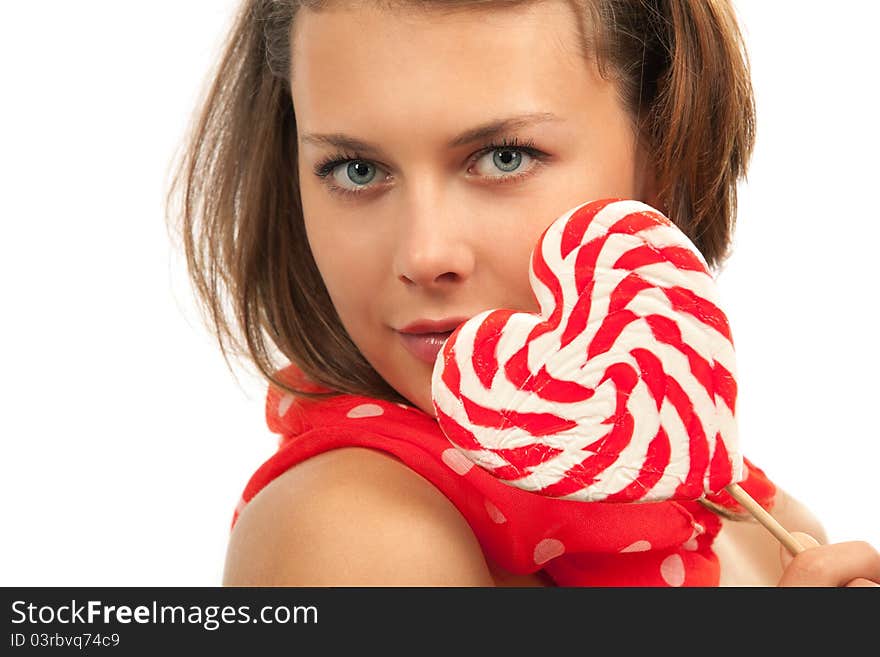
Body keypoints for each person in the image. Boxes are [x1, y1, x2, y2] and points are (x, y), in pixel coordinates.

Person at [166, 0, 880, 586]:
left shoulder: (759, 526)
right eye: (355, 170)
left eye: (503, 158)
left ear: (661, 155)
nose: (425, 255)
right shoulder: (351, 532)